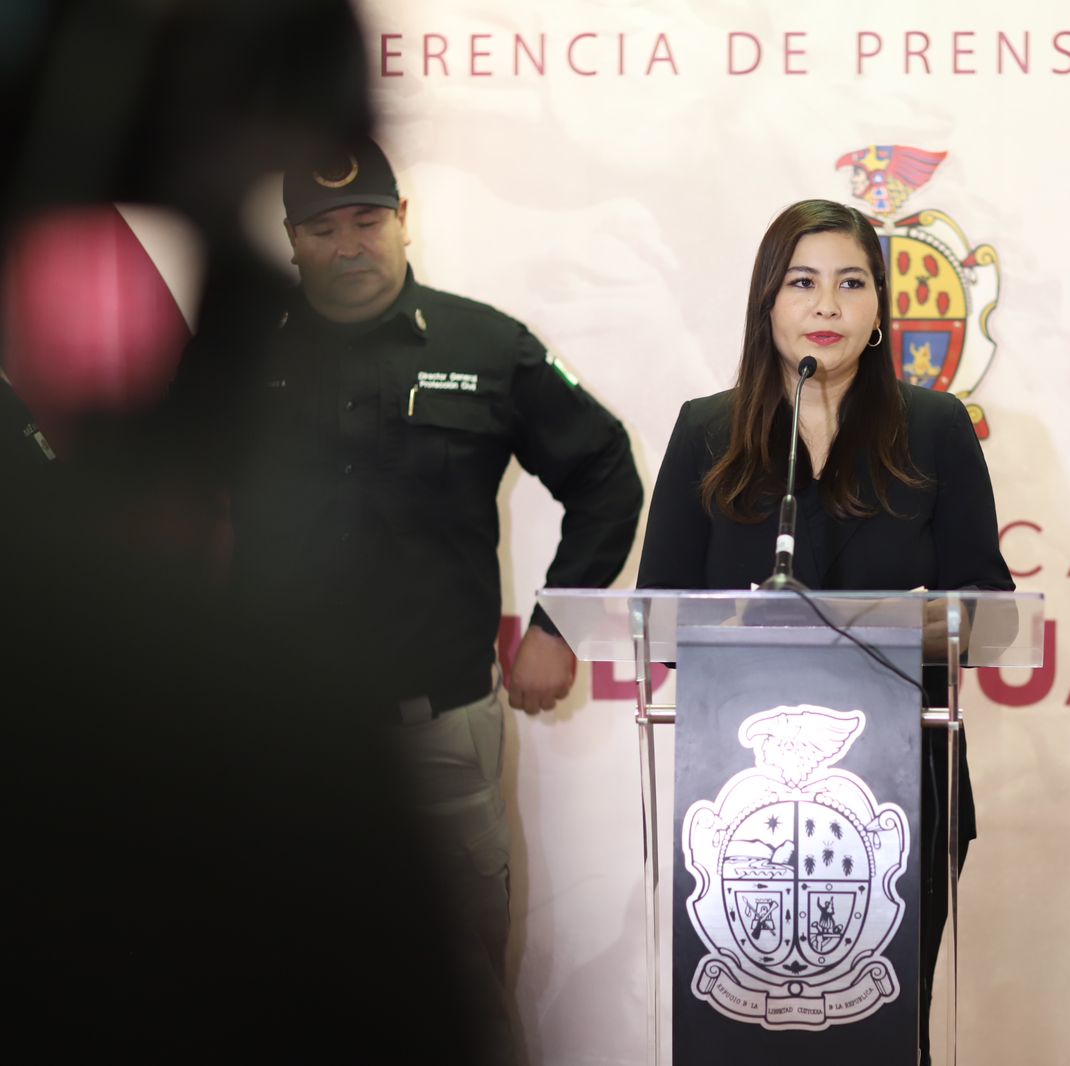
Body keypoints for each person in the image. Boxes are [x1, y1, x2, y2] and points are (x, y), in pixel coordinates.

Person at [172, 136, 644, 1065]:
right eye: (324, 228)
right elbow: (156, 508)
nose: (350, 245)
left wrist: (559, 624)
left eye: (368, 221)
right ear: (292, 241)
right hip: (274, 741)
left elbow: (605, 474)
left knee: (457, 1001)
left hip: (439, 734)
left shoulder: (486, 346)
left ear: (402, 221)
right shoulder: (231, 357)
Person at [636, 198, 1012, 1065]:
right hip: (738, 797)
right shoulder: (706, 431)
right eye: (803, 283)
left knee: (885, 1035)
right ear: (767, 302)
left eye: (852, 284)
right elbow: (659, 612)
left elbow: (986, 603)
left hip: (903, 785)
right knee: (741, 1040)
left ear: (880, 311)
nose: (827, 305)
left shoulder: (936, 429)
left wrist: (915, 618)